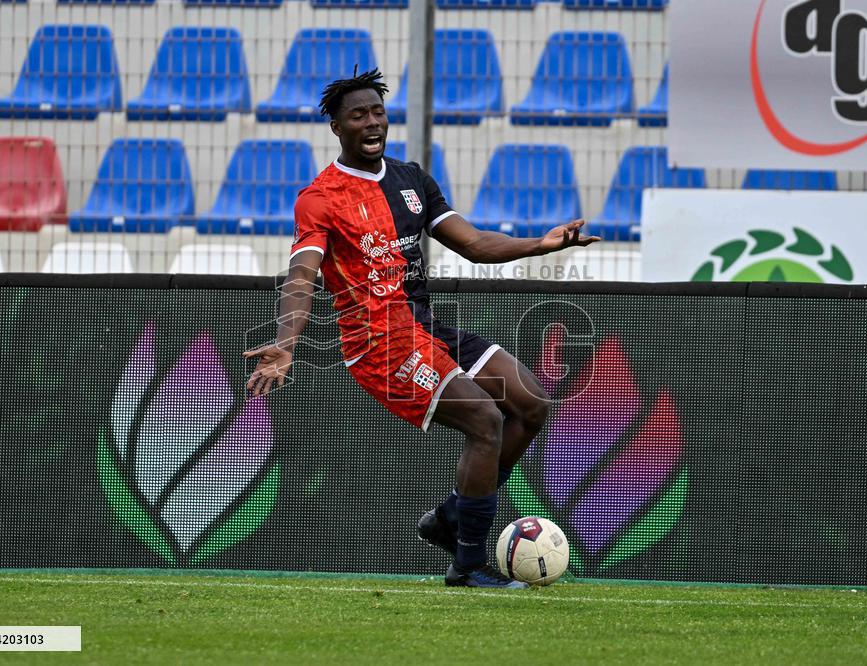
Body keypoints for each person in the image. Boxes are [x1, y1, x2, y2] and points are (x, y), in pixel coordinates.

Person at [244, 68, 600, 589]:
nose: (372, 123)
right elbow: (303, 274)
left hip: (425, 326)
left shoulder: (412, 179)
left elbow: (474, 244)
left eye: (378, 112)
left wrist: (540, 245)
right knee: (485, 419)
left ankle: (454, 517)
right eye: (358, 115)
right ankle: (469, 563)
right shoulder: (320, 198)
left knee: (530, 402)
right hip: (378, 345)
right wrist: (286, 341)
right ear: (337, 129)